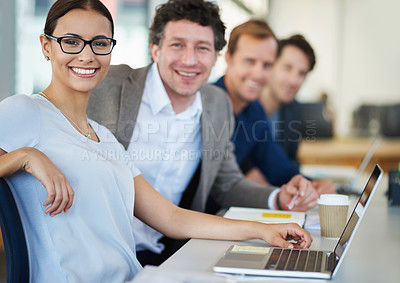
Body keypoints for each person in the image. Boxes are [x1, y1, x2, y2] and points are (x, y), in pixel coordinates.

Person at [0, 0, 313, 281]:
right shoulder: (25, 111)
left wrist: (264, 231)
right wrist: (25, 156)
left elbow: (171, 217)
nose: (87, 54)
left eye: (99, 43)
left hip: (138, 272)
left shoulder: (104, 138)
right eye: (70, 42)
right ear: (46, 46)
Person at [88, 0, 318, 267]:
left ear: (217, 56)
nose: (190, 60)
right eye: (177, 45)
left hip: (164, 254)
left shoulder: (217, 103)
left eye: (202, 48)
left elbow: (227, 182)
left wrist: (277, 198)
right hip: (99, 251)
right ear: (155, 49)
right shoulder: (107, 84)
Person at [214, 19, 305, 187]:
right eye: (250, 61)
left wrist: (313, 187)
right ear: (229, 58)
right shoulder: (205, 105)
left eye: (267, 65)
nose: (258, 74)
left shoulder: (254, 111)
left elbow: (280, 170)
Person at [243, 34, 335, 193]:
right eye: (287, 68)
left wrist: (313, 185)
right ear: (270, 65)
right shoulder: (244, 105)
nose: (294, 80)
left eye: (302, 73)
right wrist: (241, 175)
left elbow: (289, 166)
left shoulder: (293, 110)